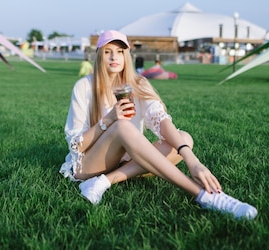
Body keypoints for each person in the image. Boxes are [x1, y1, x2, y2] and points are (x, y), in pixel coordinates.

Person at [59, 30, 257, 220]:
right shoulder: (84, 86)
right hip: (89, 164)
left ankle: (104, 181)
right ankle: (205, 196)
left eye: (120, 51)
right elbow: (77, 145)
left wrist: (192, 160)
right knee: (123, 127)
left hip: (126, 160)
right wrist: (108, 120)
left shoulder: (138, 84)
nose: (114, 57)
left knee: (184, 139)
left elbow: (160, 120)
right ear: (99, 55)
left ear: (127, 55)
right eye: (108, 52)